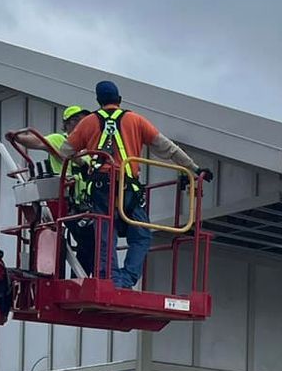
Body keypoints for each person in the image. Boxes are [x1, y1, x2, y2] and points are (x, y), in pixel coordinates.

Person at [60, 79, 212, 290]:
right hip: (129, 188)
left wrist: (84, 164)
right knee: (141, 236)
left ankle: (109, 278)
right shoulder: (136, 120)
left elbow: (65, 151)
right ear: (119, 99)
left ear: (98, 101)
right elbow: (168, 148)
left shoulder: (88, 122)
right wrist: (194, 168)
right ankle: (126, 278)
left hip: (101, 187)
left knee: (106, 234)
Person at [43, 105, 96, 274]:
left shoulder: (89, 149)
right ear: (66, 124)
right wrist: (19, 137)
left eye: (83, 120)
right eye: (76, 120)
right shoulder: (60, 140)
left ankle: (80, 279)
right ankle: (79, 280)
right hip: (67, 204)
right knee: (89, 241)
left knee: (92, 243)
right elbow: (37, 141)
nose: (81, 124)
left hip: (86, 205)